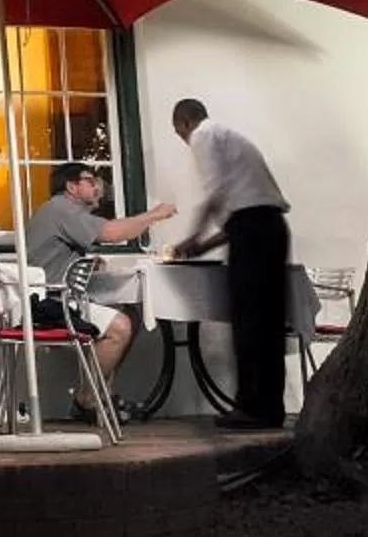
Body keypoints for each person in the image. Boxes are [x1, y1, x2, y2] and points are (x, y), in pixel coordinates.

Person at [162, 99, 293, 430]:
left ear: (186, 122)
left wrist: (191, 239)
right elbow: (241, 215)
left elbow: (216, 194)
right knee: (268, 323)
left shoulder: (204, 135)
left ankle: (250, 407)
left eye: (179, 133)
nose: (183, 141)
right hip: (271, 228)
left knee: (249, 320)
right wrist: (203, 245)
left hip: (253, 231)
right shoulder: (231, 138)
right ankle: (269, 408)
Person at [30, 161, 168, 424]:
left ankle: (100, 395)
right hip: (47, 303)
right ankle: (86, 400)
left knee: (132, 316)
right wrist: (154, 215)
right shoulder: (61, 209)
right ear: (71, 186)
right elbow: (111, 232)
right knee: (121, 327)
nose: (96, 185)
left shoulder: (59, 212)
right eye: (89, 180)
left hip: (61, 298)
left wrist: (85, 263)